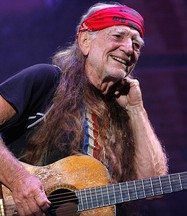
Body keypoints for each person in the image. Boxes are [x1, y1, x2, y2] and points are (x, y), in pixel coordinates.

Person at [0, 2, 168, 216]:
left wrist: (136, 110)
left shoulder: (125, 112)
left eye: (136, 45)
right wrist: (19, 180)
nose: (128, 49)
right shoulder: (46, 82)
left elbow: (152, 188)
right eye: (118, 36)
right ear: (85, 41)